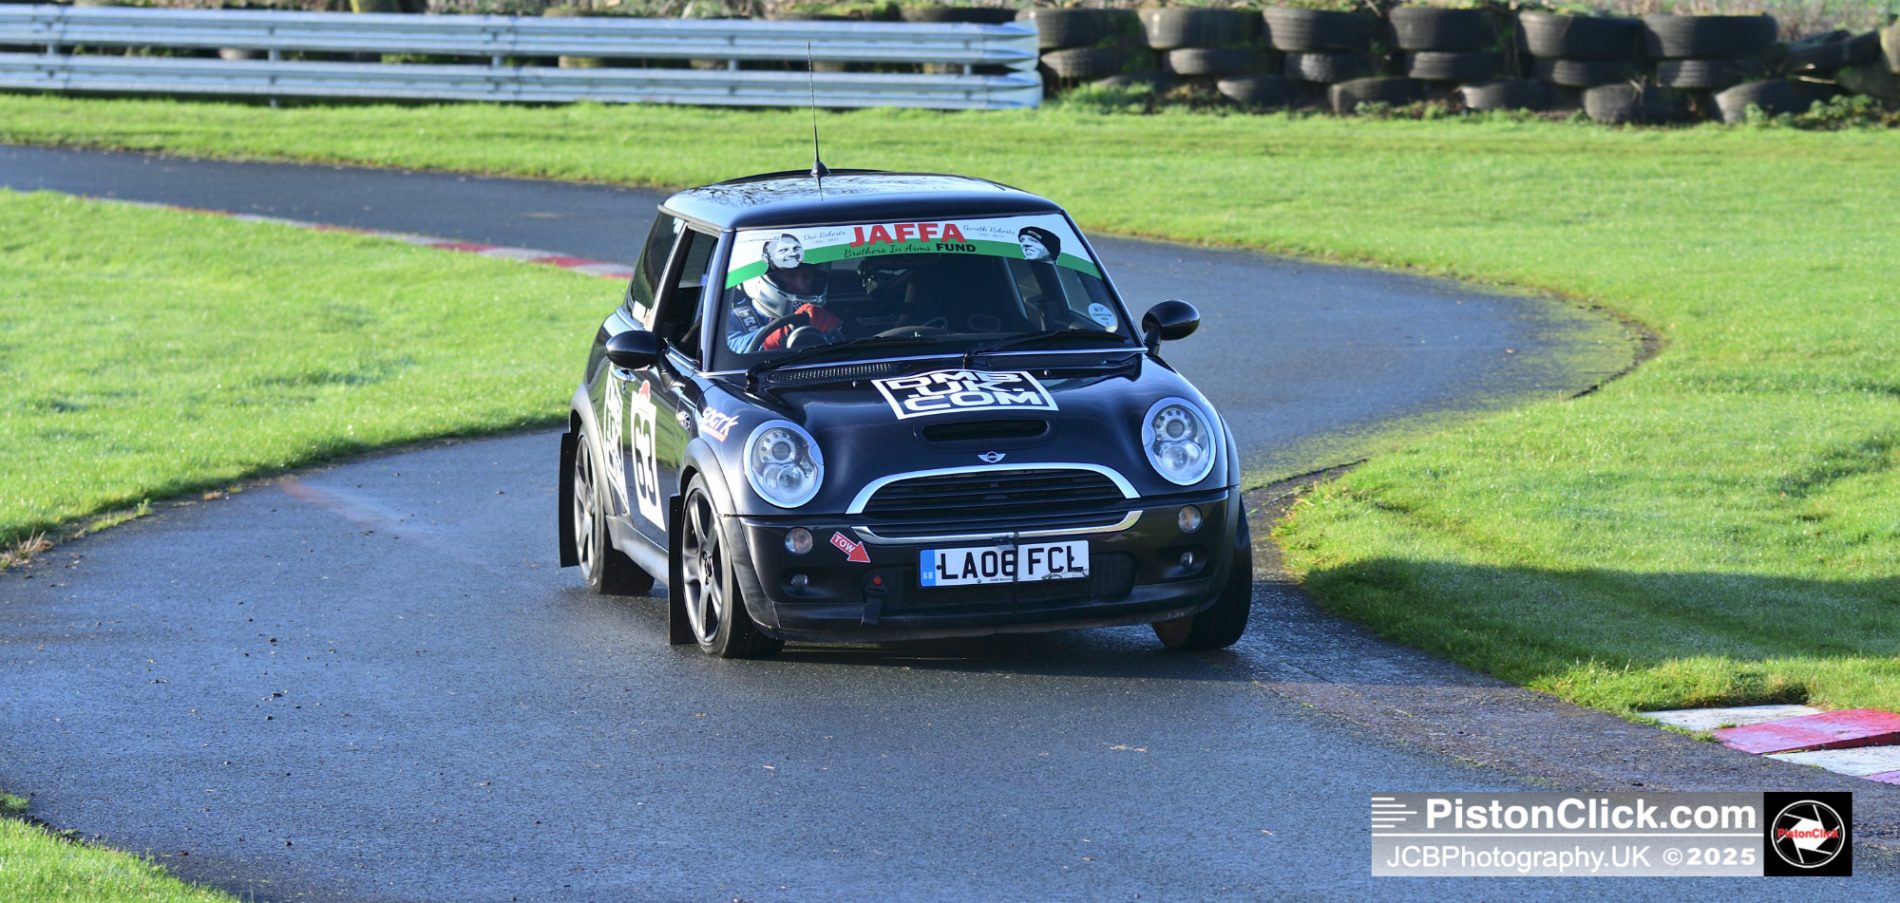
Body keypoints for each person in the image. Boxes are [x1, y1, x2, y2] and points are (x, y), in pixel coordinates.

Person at [725, 262, 841, 353]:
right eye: (790, 276)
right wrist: (779, 333)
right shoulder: (731, 318)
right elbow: (729, 352)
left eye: (807, 277)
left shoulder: (823, 318)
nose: (800, 286)